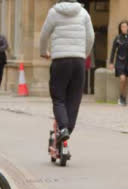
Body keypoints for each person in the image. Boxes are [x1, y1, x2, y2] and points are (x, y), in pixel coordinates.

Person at [39, 0, 95, 143]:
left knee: (58, 97)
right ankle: (68, 130)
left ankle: (63, 128)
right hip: (78, 61)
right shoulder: (83, 13)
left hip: (60, 61)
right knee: (74, 99)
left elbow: (44, 35)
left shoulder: (54, 12)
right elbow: (91, 37)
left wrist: (43, 52)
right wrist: (84, 54)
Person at [109, 20, 128, 106]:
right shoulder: (117, 38)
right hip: (119, 61)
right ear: (120, 28)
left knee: (127, 81)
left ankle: (124, 98)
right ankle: (121, 96)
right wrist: (111, 62)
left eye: (125, 26)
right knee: (122, 79)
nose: (124, 28)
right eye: (122, 27)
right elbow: (113, 51)